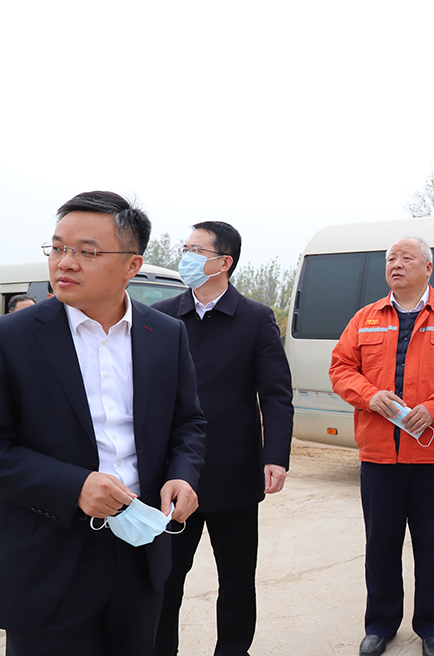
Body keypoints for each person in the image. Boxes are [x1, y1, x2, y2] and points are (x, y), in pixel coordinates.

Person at [0, 191, 206, 656]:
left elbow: (188, 422)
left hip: (140, 547)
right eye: (57, 248)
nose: (65, 262)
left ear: (132, 265)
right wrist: (74, 486)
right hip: (48, 552)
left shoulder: (165, 334)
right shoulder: (12, 339)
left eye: (86, 252)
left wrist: (182, 474)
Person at [329, 237, 434, 656]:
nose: (396, 265)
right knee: (381, 545)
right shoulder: (366, 318)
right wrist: (369, 395)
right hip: (380, 455)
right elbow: (341, 368)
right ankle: (380, 624)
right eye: (390, 259)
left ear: (428, 268)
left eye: (406, 258)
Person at [152, 222, 293, 656]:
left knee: (236, 579)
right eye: (185, 248)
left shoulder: (254, 318)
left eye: (196, 250)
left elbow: (276, 394)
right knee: (165, 579)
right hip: (174, 473)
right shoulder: (161, 316)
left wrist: (275, 456)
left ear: (224, 262)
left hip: (234, 471)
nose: (186, 257)